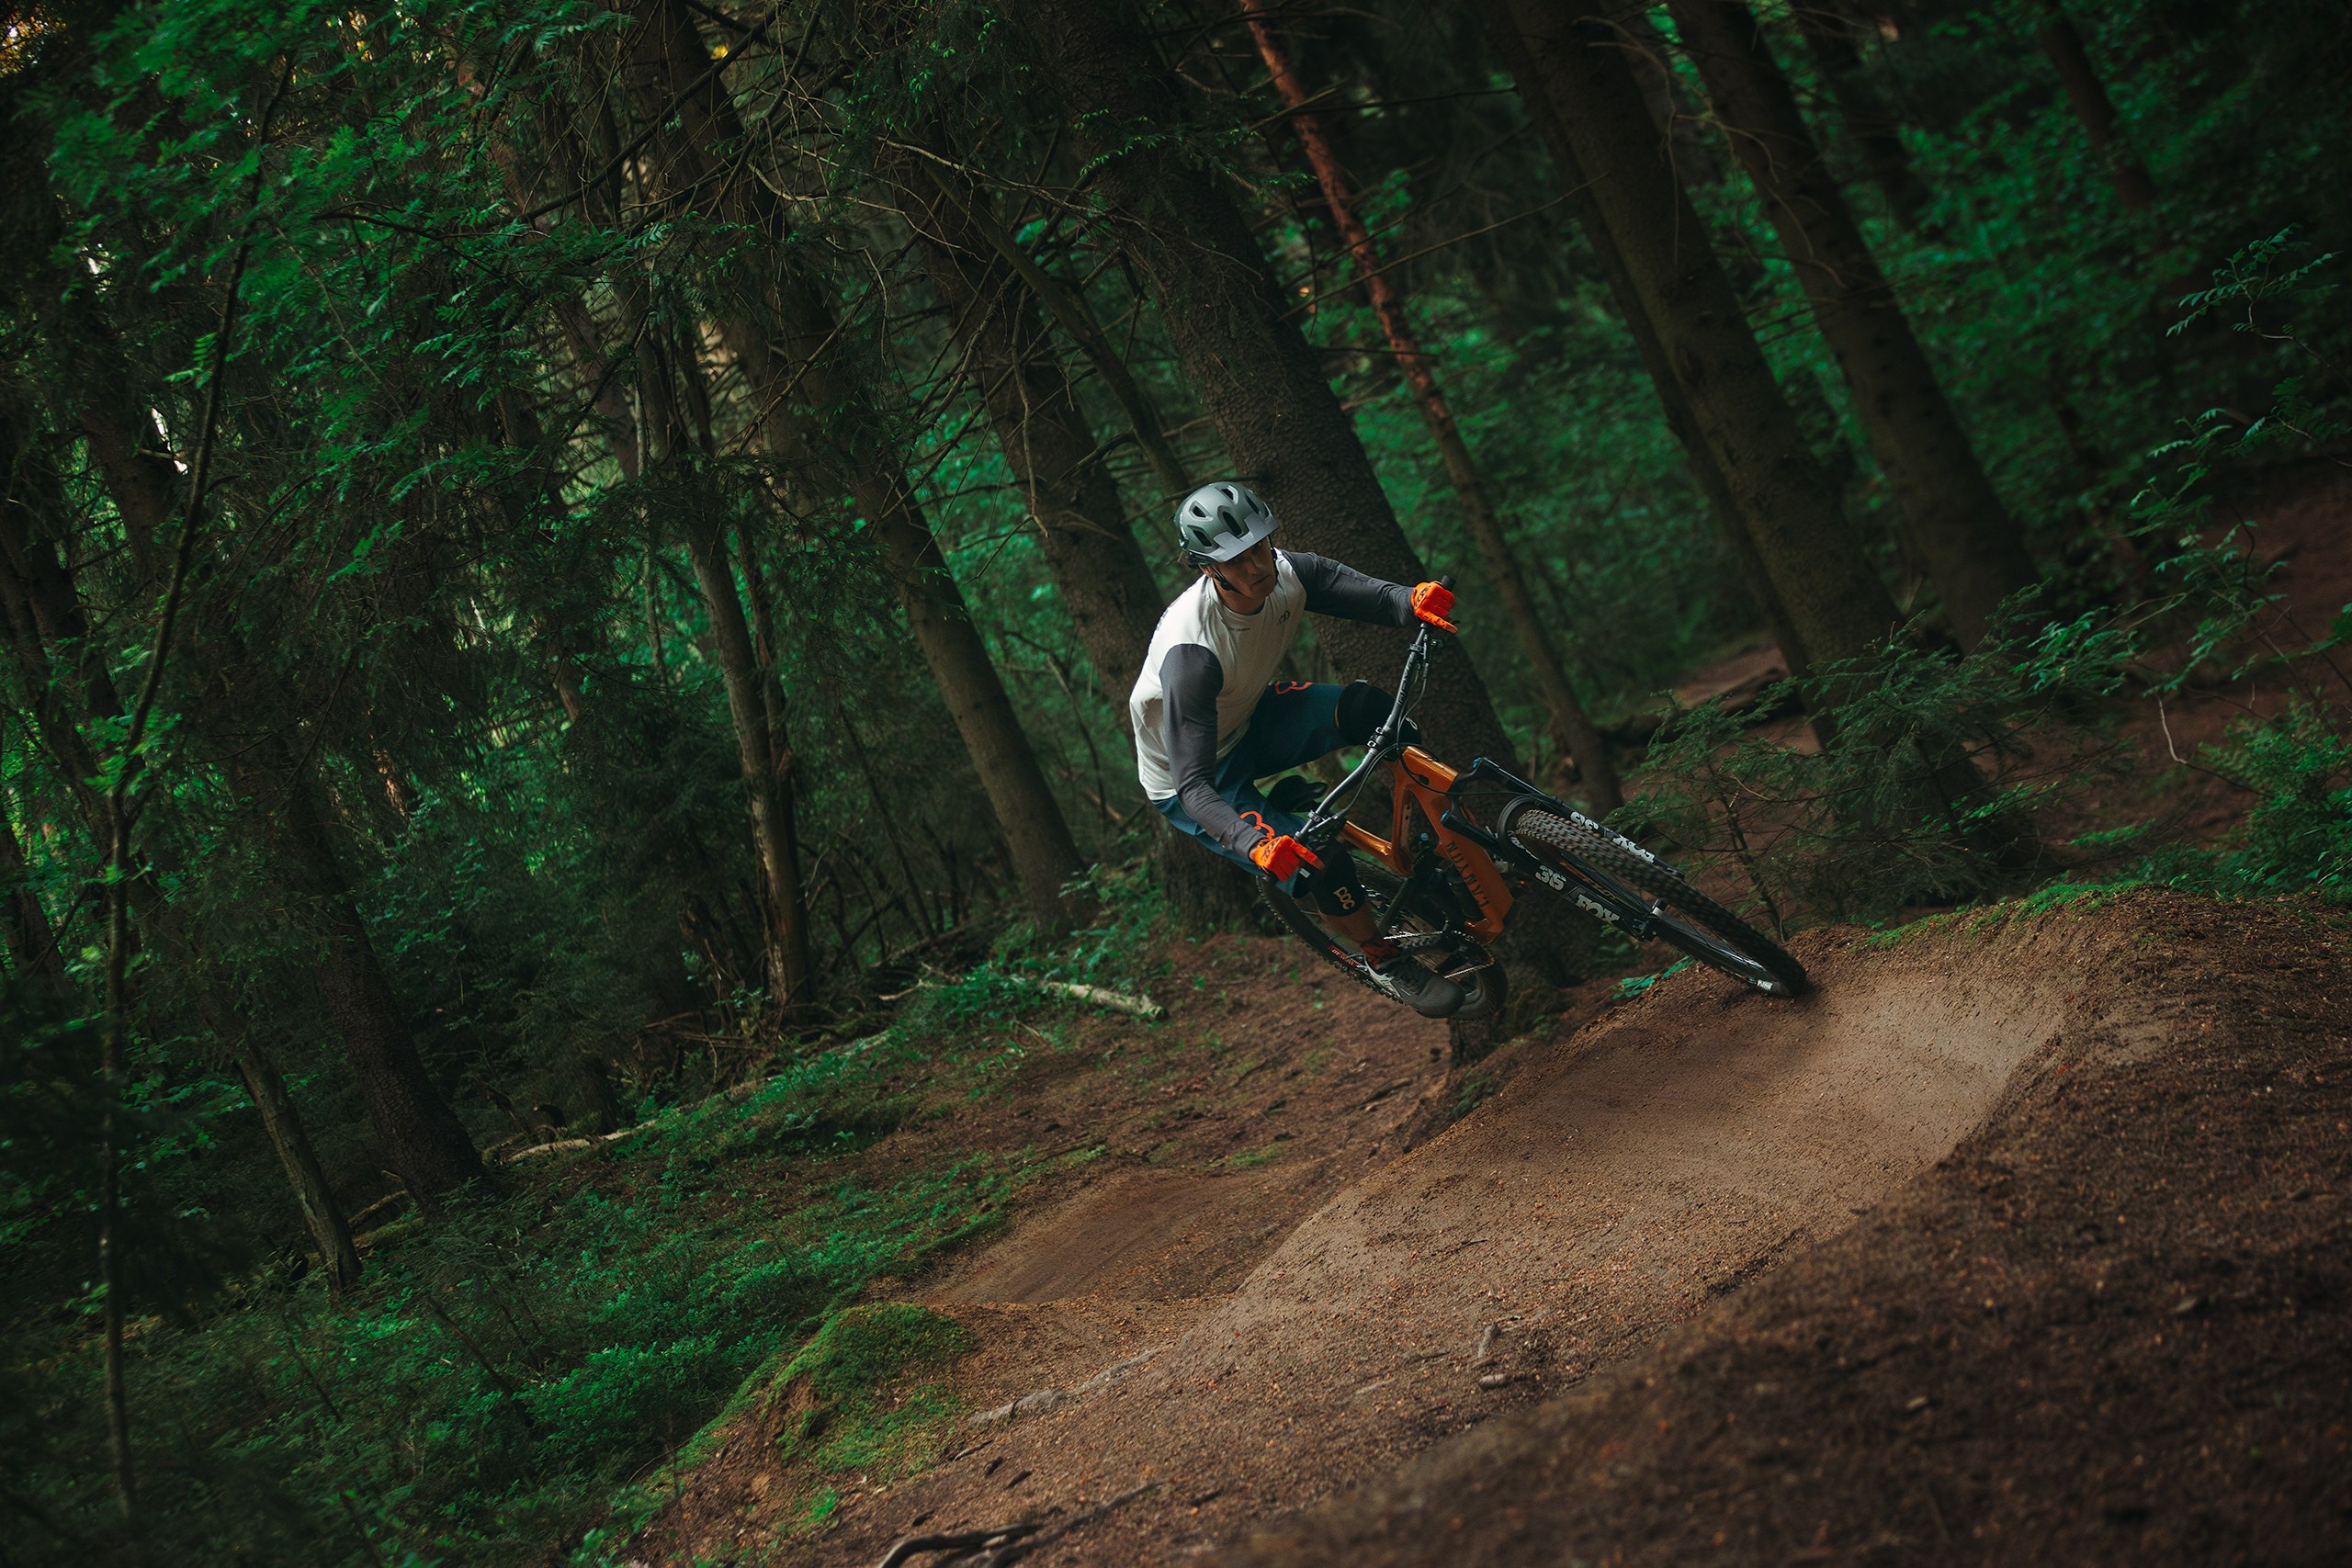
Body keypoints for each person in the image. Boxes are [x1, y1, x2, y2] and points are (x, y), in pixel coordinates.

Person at [1131, 481, 1466, 1019]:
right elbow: (1194, 786)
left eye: (1261, 547)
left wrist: (1411, 601)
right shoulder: (1192, 654)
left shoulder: (1285, 571)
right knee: (1318, 866)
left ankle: (1443, 844)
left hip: (1249, 719)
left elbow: (1358, 591)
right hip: (1197, 779)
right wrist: (1251, 842)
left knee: (1368, 709)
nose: (1257, 567)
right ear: (1206, 569)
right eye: (1236, 561)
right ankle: (1385, 958)